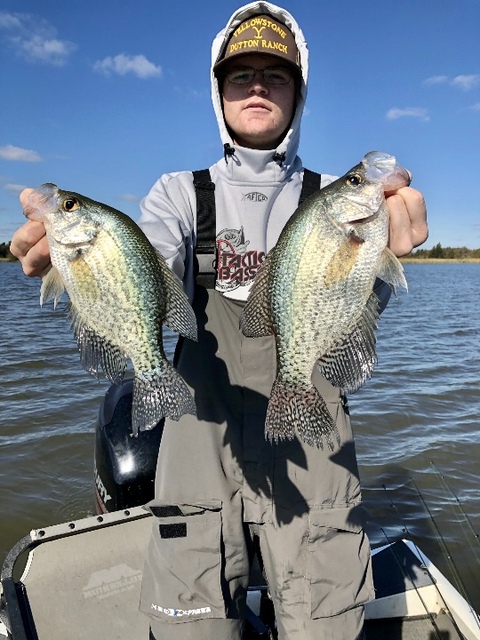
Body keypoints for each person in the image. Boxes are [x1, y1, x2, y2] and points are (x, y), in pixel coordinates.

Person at [11, 3, 428, 639]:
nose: (257, 86)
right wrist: (92, 266)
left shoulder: (334, 200)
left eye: (276, 75)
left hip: (315, 444)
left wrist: (384, 254)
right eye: (240, 76)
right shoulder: (178, 194)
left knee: (325, 623)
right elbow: (149, 255)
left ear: (300, 93)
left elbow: (356, 318)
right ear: (218, 91)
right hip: (199, 439)